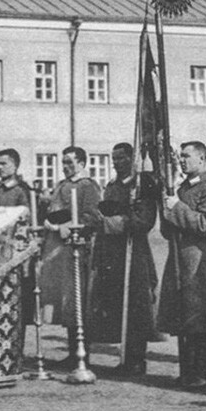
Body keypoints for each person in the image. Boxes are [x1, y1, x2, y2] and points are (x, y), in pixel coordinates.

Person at [157, 141, 206, 390]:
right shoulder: (182, 188)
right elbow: (168, 229)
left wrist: (176, 208)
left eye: (187, 156)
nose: (182, 161)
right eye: (181, 157)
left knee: (202, 318)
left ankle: (201, 372)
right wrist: (166, 209)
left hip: (200, 260)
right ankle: (187, 370)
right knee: (183, 316)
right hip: (179, 258)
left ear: (202, 159)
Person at [86, 142, 157, 376]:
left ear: (132, 159)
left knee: (136, 306)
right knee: (116, 304)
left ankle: (136, 358)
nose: (117, 163)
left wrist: (112, 223)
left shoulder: (140, 186)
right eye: (114, 159)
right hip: (113, 254)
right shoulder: (113, 186)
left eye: (121, 159)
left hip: (134, 252)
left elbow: (144, 221)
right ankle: (125, 356)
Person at [39, 146, 102, 369]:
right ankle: (72, 350)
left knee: (77, 299)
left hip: (77, 247)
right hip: (58, 249)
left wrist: (64, 226)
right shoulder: (62, 185)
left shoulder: (88, 186)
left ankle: (82, 353)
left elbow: (92, 217)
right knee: (65, 301)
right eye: (63, 162)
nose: (66, 167)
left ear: (82, 163)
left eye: (71, 163)